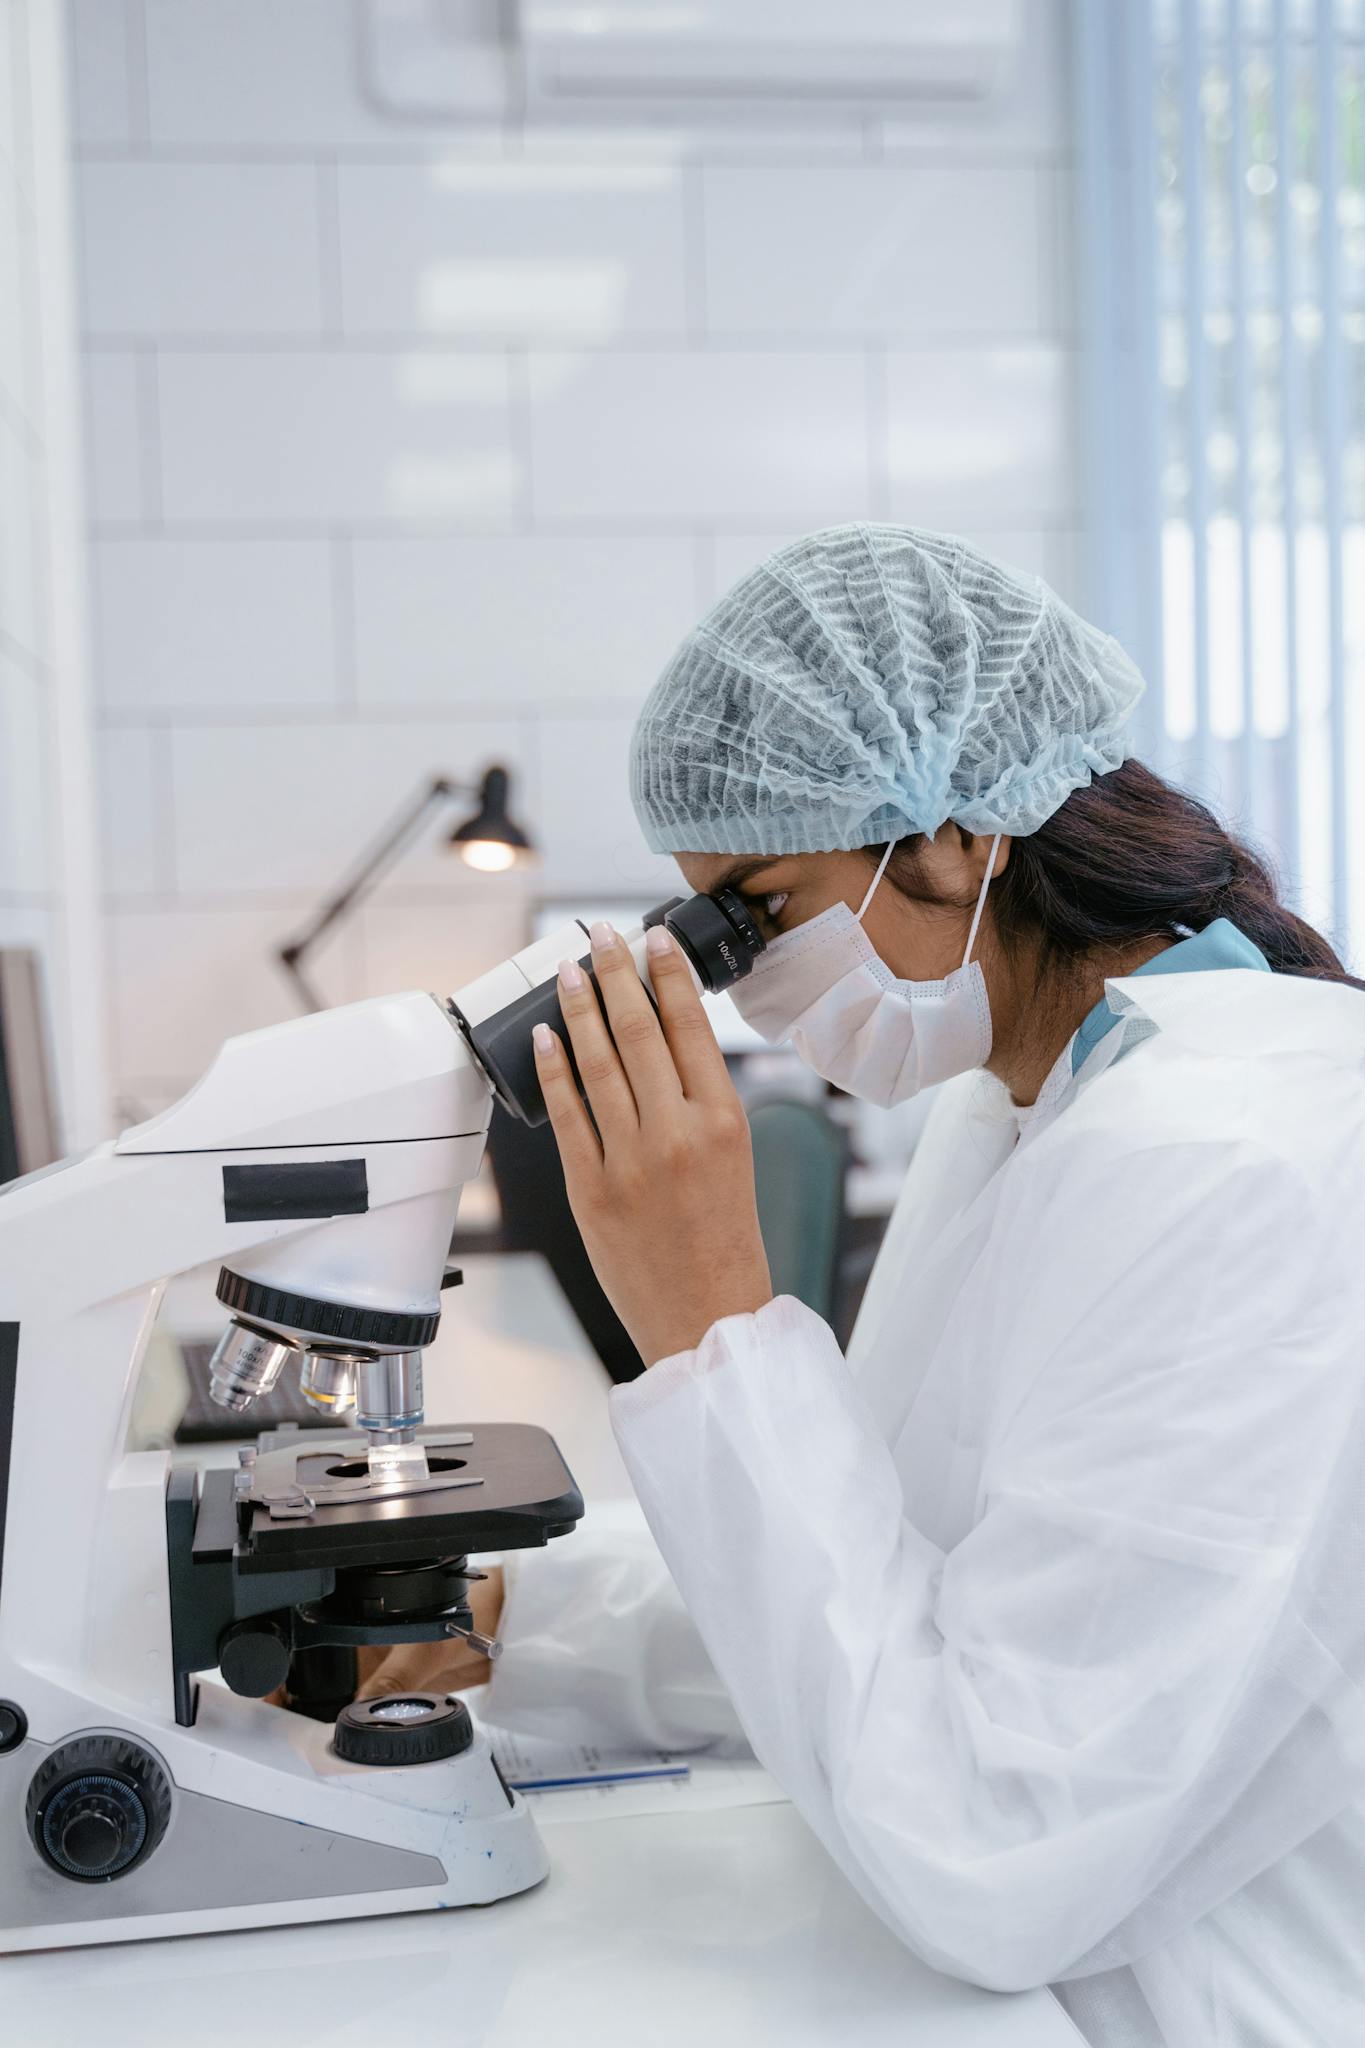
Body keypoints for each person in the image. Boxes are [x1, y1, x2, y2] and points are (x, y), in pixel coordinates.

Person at [363, 526, 1365, 2047]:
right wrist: (502, 1613)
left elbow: (989, 1847)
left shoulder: (1233, 1170)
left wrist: (709, 1325)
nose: (745, 981)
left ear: (956, 835)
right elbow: (901, 1588)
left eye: (755, 911)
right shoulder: (1031, 1105)